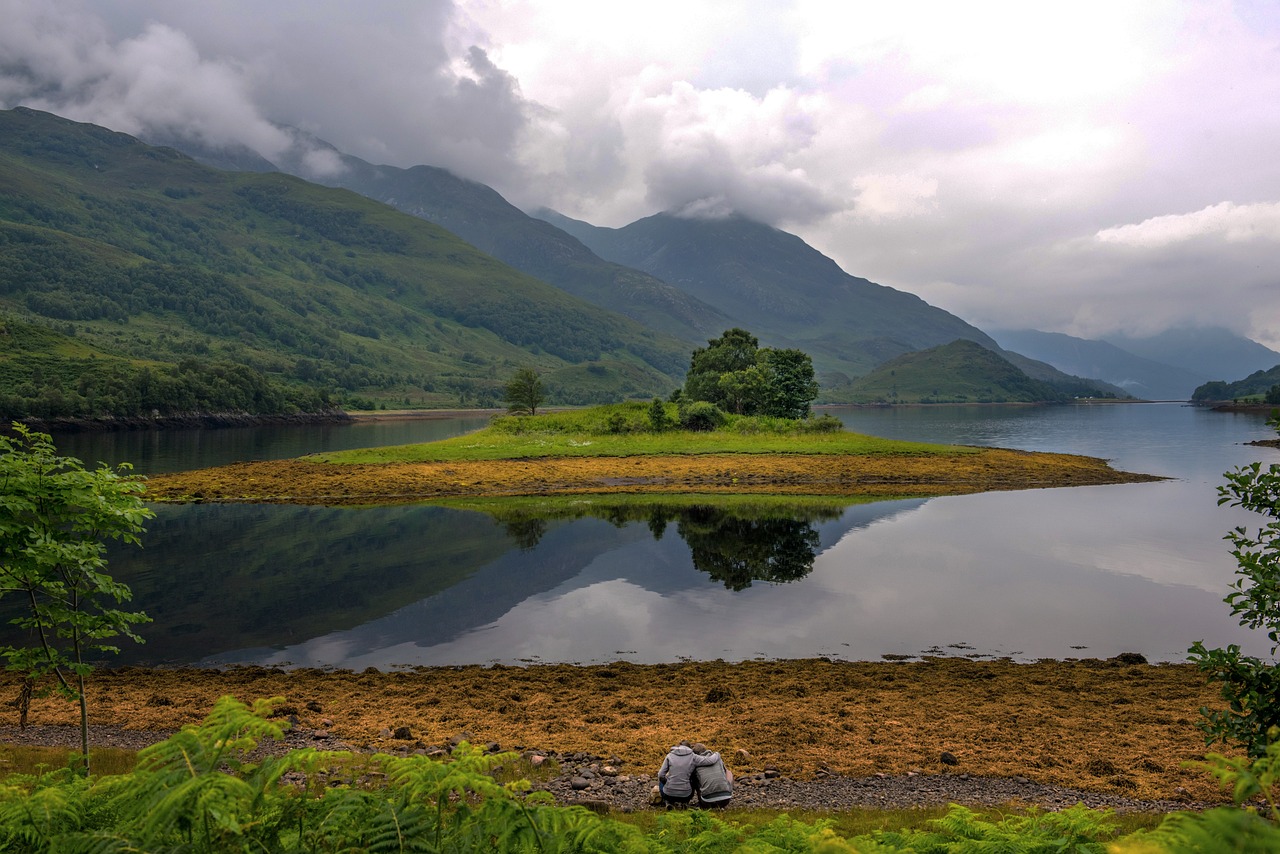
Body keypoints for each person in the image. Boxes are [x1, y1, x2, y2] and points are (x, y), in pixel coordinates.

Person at [656, 741, 702, 808]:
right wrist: (716, 756)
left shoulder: (669, 755)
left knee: (661, 780)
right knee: (693, 779)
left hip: (669, 794)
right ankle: (685, 802)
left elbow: (660, 775)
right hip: (686, 795)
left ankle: (668, 802)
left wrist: (666, 782)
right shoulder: (693, 757)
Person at [690, 743, 733, 808]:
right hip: (726, 800)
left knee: (694, 779)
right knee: (729, 773)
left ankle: (701, 802)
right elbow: (724, 772)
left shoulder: (695, 763)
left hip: (707, 802)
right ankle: (726, 791)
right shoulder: (718, 758)